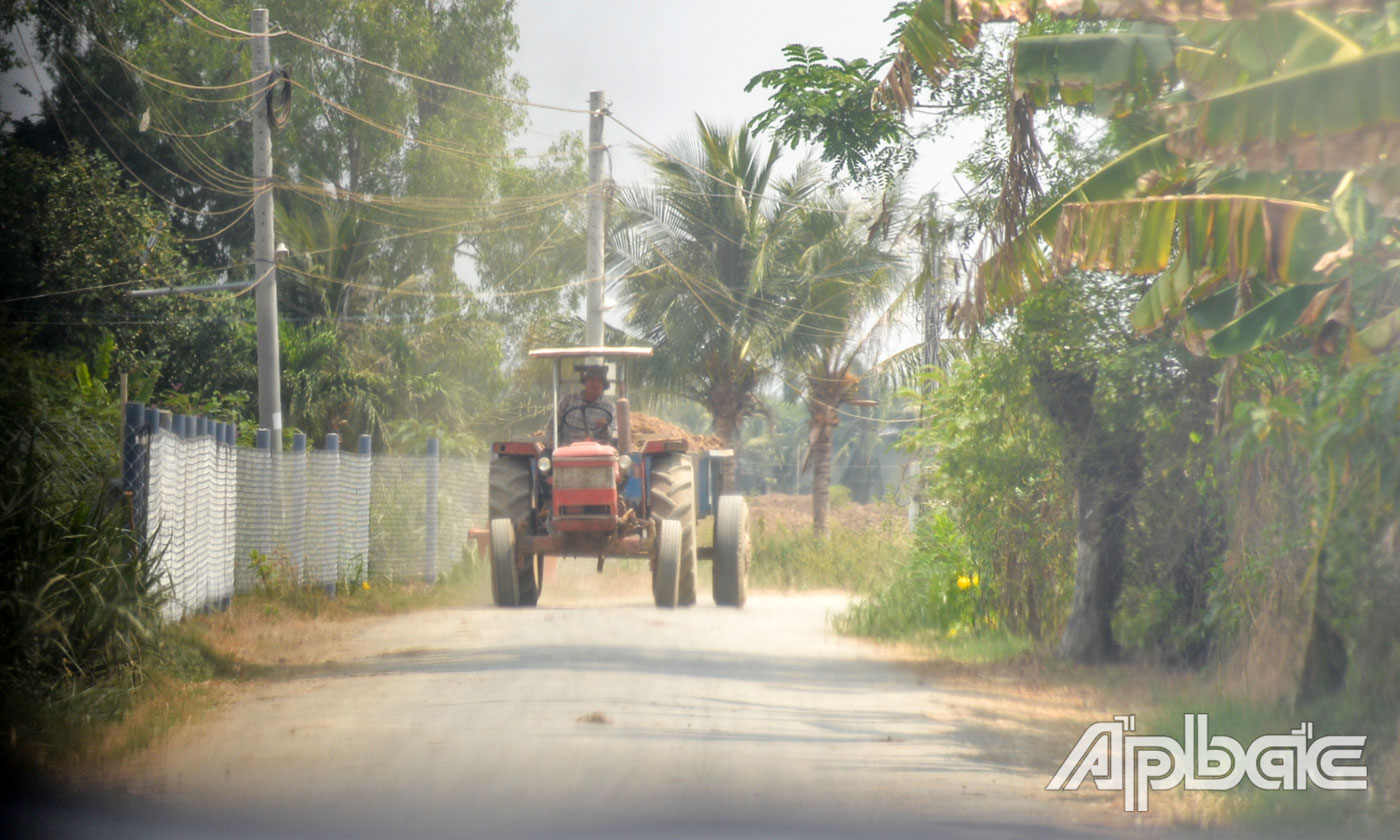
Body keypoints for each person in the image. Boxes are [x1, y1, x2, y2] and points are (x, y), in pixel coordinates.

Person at [551, 364, 614, 445]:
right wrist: (551, 446)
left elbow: (614, 436)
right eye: (591, 380)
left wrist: (605, 426)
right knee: (544, 457)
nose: (595, 384)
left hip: (596, 452)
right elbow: (553, 425)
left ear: (603, 386)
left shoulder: (609, 408)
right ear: (585, 382)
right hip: (567, 449)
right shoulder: (568, 400)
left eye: (599, 381)